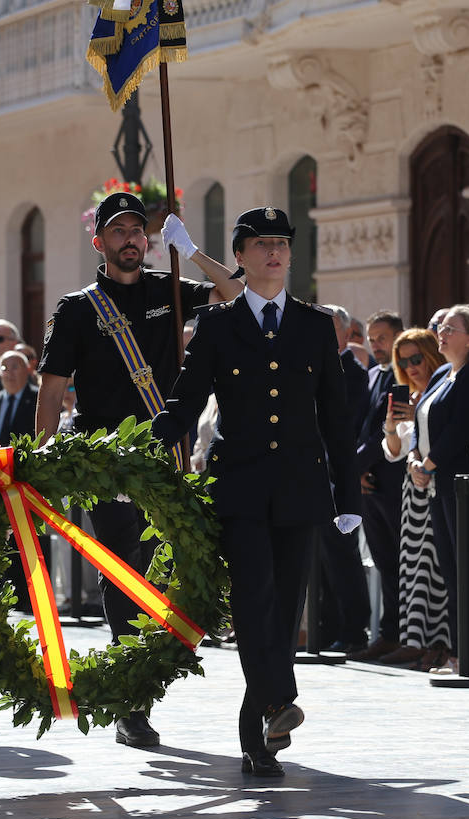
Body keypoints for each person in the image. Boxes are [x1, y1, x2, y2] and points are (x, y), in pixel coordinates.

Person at [152, 206, 359, 777]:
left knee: (286, 600)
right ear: (239, 256)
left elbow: (335, 419)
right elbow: (186, 399)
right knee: (254, 599)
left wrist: (350, 499)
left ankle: (260, 724)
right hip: (238, 486)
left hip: (299, 486)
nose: (274, 252)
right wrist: (139, 449)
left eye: (282, 243)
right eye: (261, 243)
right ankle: (276, 702)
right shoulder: (219, 326)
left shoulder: (315, 326)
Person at [35, 192, 240, 748]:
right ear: (99, 242)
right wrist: (42, 463)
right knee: (124, 571)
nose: (130, 239)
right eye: (118, 231)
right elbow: (52, 391)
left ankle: (148, 674)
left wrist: (192, 251)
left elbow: (236, 293)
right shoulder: (77, 308)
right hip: (108, 463)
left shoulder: (169, 290)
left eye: (137, 230)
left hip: (166, 455)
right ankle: (133, 699)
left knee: (160, 570)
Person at [419, 305, 469, 674]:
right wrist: (415, 462)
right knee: (451, 570)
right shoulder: (440, 373)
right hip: (437, 482)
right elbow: (424, 423)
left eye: (451, 328)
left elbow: (462, 428)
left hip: (463, 482)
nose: (442, 333)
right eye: (440, 327)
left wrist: (429, 464)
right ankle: (457, 650)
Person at [379, 328, 450, 669]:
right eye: (403, 362)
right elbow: (393, 452)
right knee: (414, 569)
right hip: (413, 492)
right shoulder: (409, 396)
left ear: (432, 355)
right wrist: (393, 427)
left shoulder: (440, 393)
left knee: (437, 571)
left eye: (416, 359)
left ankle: (441, 644)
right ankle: (417, 642)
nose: (410, 368)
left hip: (437, 485)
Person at [347, 311, 407, 661]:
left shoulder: (402, 376)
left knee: (400, 562)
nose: (376, 345)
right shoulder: (372, 374)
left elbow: (385, 431)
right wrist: (355, 471)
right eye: (372, 338)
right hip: (368, 483)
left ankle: (400, 632)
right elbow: (360, 425)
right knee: (384, 560)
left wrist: (355, 465)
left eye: (382, 337)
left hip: (393, 479)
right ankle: (388, 632)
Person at [316, 305, 371, 652]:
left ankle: (352, 630)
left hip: (338, 477)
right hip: (315, 475)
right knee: (322, 560)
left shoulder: (351, 371)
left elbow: (341, 426)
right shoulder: (318, 365)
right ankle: (327, 627)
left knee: (341, 556)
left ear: (346, 334)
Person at [0, 351, 38, 448]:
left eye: (15, 367)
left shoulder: (38, 400)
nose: (9, 373)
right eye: (4, 368)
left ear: (27, 370)